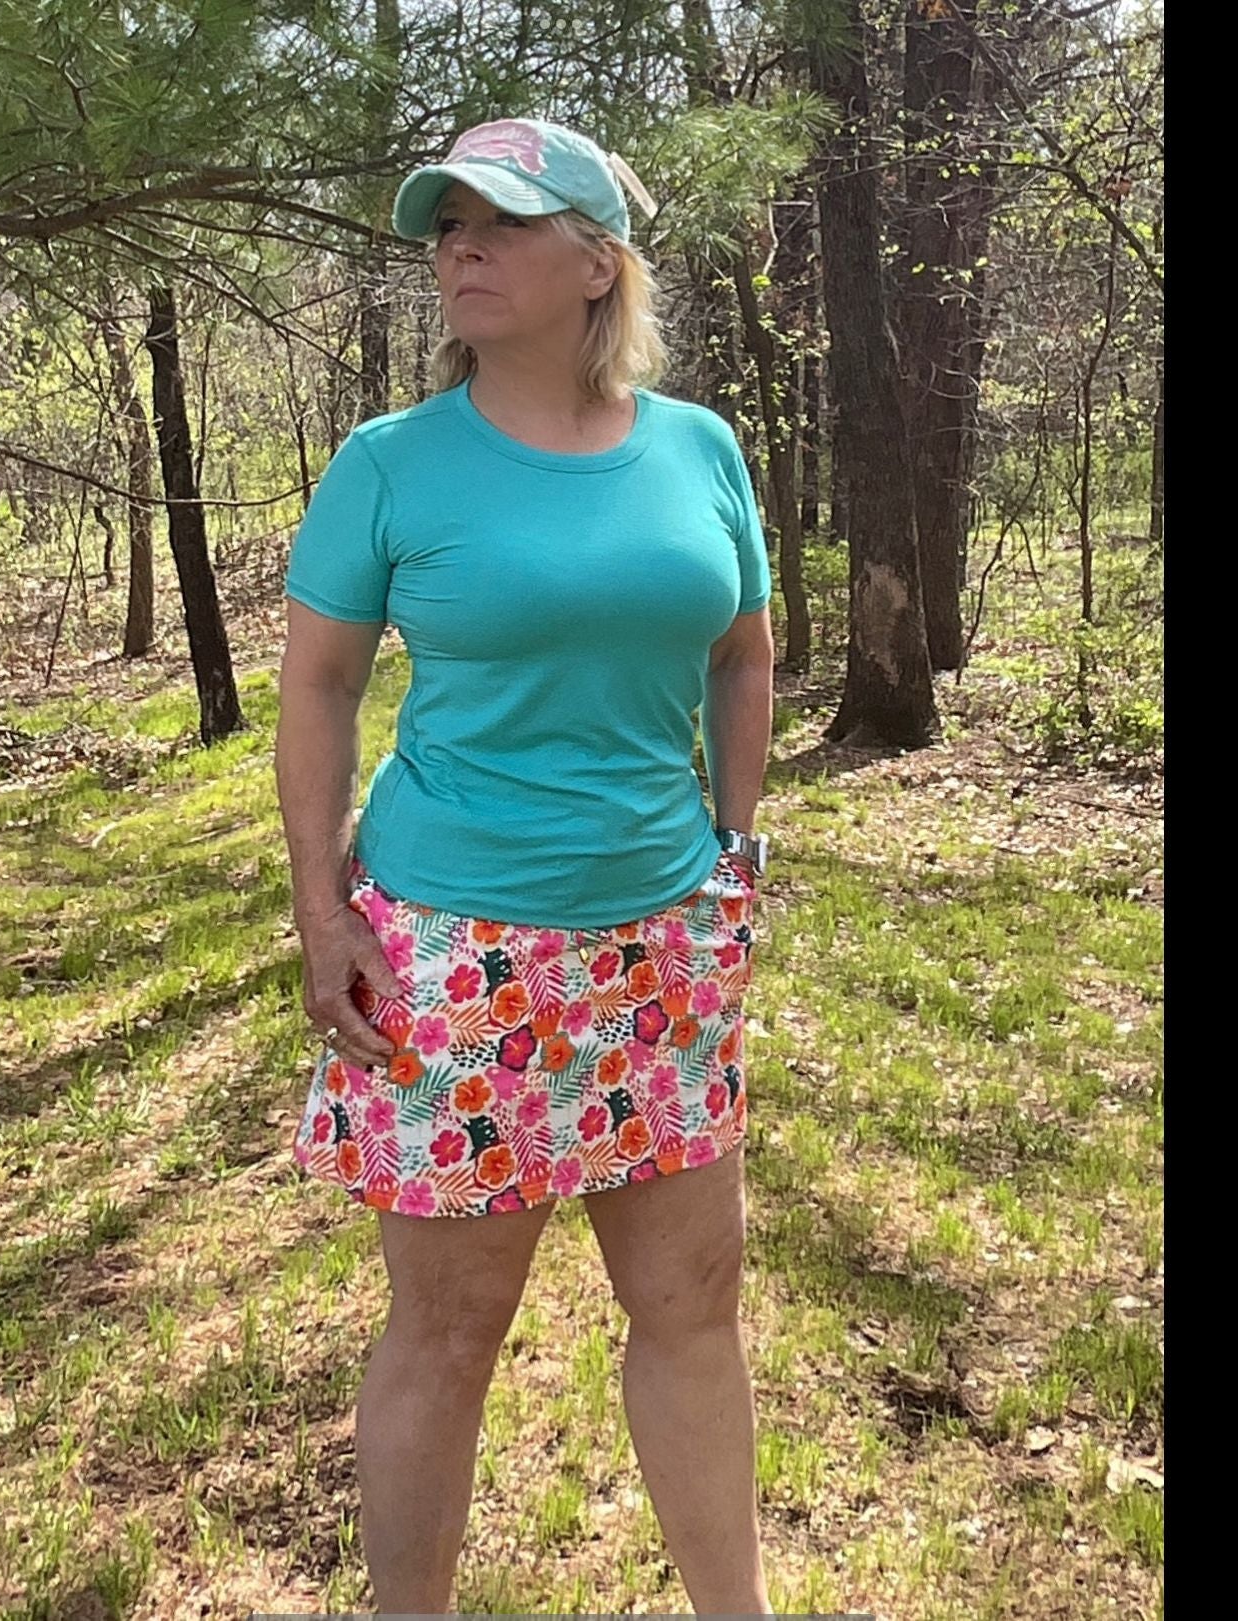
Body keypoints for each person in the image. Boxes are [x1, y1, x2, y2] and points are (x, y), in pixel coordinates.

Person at [275, 116, 775, 1615]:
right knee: (447, 1334)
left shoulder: (700, 449)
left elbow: (742, 655)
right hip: (455, 953)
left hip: (661, 941)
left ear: (597, 262)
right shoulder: (390, 464)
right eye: (447, 226)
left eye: (500, 220)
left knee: (692, 1306)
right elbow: (318, 689)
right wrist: (320, 911)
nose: (462, 249)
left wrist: (737, 848)